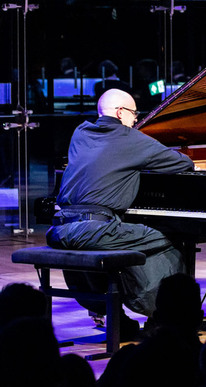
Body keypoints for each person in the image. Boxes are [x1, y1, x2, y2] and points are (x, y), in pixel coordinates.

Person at [46, 88, 194, 330]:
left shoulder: (80, 133)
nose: (136, 119)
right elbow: (184, 163)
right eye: (134, 114)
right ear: (120, 112)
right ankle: (163, 314)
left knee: (122, 238)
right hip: (94, 229)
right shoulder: (132, 139)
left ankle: (112, 314)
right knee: (171, 236)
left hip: (59, 229)